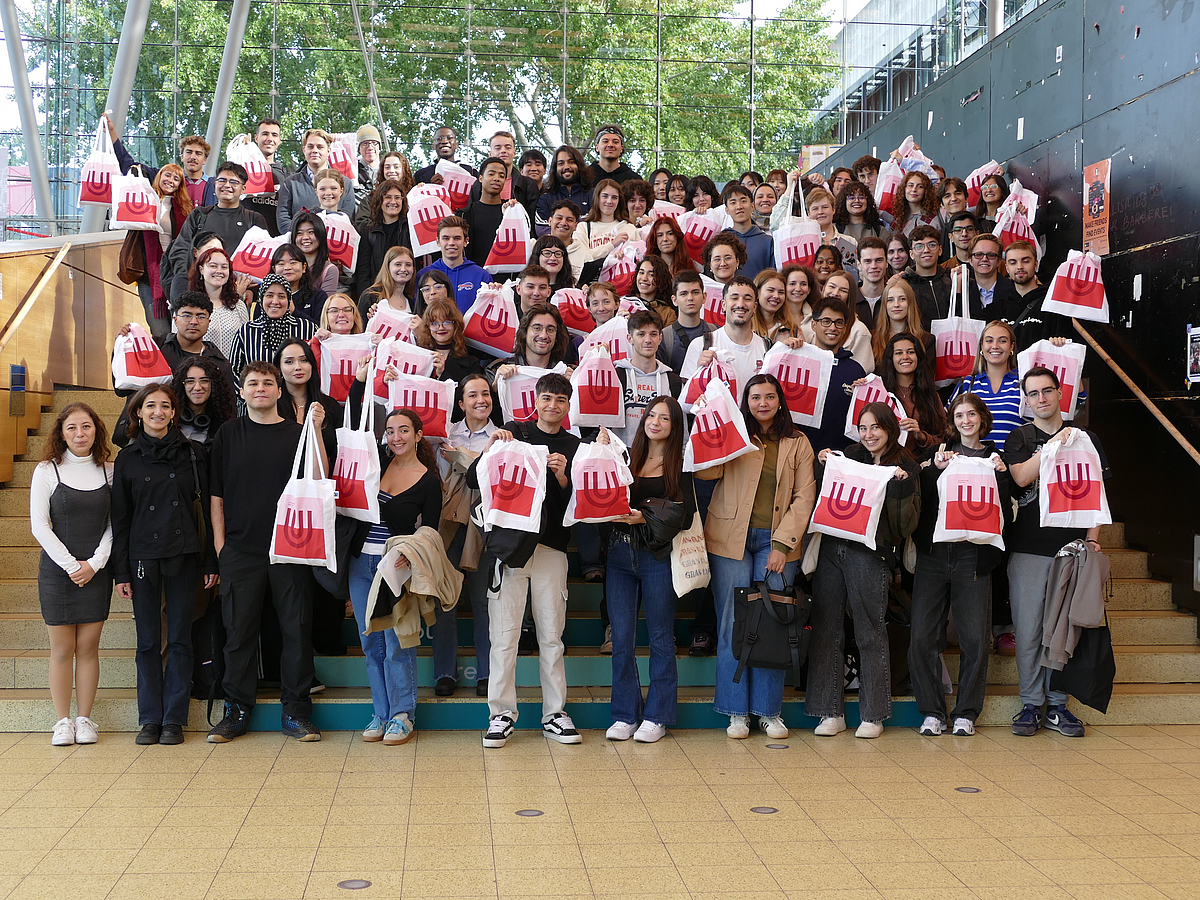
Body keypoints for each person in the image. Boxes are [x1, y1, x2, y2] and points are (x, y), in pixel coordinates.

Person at [208, 361, 324, 743]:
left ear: (279, 391)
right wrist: (222, 547)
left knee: (296, 630)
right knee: (238, 633)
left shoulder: (297, 433)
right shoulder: (228, 434)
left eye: (268, 383)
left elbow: (319, 479)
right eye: (252, 383)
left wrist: (316, 430)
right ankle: (236, 710)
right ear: (242, 392)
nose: (260, 388)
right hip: (240, 550)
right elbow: (217, 495)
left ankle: (296, 713)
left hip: (291, 548)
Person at [696, 374, 816, 739]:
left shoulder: (798, 442)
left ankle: (768, 711)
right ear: (744, 402)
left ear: (780, 400)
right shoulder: (733, 432)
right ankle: (735, 712)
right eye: (754, 398)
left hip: (777, 541)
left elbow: (805, 496)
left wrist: (782, 545)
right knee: (732, 622)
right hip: (730, 536)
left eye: (769, 397)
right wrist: (708, 429)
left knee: (774, 622)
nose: (762, 403)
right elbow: (705, 471)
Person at [466, 373, 582, 748]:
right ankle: (500, 713)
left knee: (552, 637)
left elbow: (577, 510)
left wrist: (564, 479)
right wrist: (491, 448)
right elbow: (473, 480)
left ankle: (555, 713)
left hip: (552, 550)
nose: (552, 406)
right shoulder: (514, 431)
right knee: (504, 637)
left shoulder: (574, 445)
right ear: (535, 400)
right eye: (546, 398)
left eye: (560, 400)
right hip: (510, 551)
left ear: (568, 405)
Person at [1005, 367, 1111, 738]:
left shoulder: (1087, 438)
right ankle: (1031, 704)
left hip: (1073, 551)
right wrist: (1051, 446)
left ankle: (1057, 705)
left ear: (1060, 393)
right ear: (1026, 400)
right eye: (1033, 393)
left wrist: (1093, 540)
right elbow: (1020, 477)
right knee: (1031, 630)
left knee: (1063, 633)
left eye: (1047, 391)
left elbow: (1098, 493)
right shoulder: (1020, 437)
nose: (1041, 399)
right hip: (1028, 548)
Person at [807, 402, 920, 739]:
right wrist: (822, 464)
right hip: (831, 549)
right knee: (827, 629)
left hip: (872, 555)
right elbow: (822, 496)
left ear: (890, 429)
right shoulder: (849, 456)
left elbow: (904, 527)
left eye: (876, 427)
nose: (869, 435)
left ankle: (873, 714)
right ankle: (830, 712)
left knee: (871, 632)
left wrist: (899, 487)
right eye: (863, 427)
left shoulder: (906, 467)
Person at [112, 384, 217, 745]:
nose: (158, 412)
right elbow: (120, 518)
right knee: (147, 641)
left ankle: (174, 718)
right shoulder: (127, 458)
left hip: (184, 553)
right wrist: (121, 571)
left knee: (180, 638)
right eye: (150, 406)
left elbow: (203, 510)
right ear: (138, 412)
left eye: (165, 406)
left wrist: (209, 561)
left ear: (174, 413)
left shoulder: (192, 453)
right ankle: (149, 718)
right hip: (142, 556)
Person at [909, 392, 1010, 736]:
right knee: (922, 636)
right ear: (952, 421)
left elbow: (1007, 508)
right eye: (959, 415)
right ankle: (932, 712)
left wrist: (1002, 475)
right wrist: (932, 469)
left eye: (971, 414)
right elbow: (918, 493)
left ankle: (966, 711)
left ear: (982, 418)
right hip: (935, 554)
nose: (965, 420)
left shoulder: (997, 457)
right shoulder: (937, 455)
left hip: (974, 556)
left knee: (974, 639)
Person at [342, 408, 443, 744]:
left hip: (394, 568)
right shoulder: (376, 465)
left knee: (397, 643)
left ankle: (403, 715)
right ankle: (381, 714)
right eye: (390, 431)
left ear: (417, 435)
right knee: (370, 642)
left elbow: (430, 531)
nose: (396, 437)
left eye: (403, 430)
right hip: (360, 565)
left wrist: (410, 557)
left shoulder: (429, 479)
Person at [602, 397, 694, 743]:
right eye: (651, 415)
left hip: (657, 555)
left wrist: (645, 516)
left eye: (664, 418)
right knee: (622, 638)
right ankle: (625, 713)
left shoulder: (682, 462)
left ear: (675, 426)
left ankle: (657, 714)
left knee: (660, 637)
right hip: (619, 552)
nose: (655, 422)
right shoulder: (626, 455)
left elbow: (684, 514)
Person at [31, 403, 114, 746]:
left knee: (89, 646)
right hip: (57, 571)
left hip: (97, 571)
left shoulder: (111, 470)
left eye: (86, 427)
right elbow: (39, 525)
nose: (80, 434)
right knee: (62, 648)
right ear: (61, 433)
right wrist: (72, 566)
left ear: (96, 430)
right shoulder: (47, 470)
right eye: (72, 428)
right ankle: (62, 721)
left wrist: (94, 564)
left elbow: (116, 524)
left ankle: (85, 719)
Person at [433, 374, 498, 698]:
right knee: (446, 600)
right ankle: (445, 672)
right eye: (473, 395)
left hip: (486, 527)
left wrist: (465, 459)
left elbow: (495, 480)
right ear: (461, 403)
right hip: (451, 526)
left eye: (485, 394)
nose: (480, 400)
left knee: (483, 604)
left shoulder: (501, 437)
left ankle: (486, 674)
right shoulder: (446, 433)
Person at [165, 161, 268, 301]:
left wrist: (252, 291)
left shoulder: (254, 219)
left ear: (243, 189)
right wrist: (188, 281)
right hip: (199, 290)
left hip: (237, 292)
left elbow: (261, 260)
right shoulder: (199, 215)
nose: (227, 185)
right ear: (215, 184)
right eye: (222, 180)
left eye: (233, 182)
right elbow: (181, 249)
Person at [681, 276, 768, 404]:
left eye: (747, 299)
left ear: (755, 307)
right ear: (723, 305)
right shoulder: (701, 345)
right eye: (734, 298)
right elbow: (686, 405)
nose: (740, 304)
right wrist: (700, 371)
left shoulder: (767, 348)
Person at [134, 162, 194, 340]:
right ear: (159, 176)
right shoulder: (144, 201)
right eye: (167, 175)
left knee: (180, 329)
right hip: (149, 276)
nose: (170, 180)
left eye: (176, 178)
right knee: (160, 331)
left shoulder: (185, 209)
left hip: (176, 273)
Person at [800, 297, 866, 453]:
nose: (833, 327)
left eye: (839, 322)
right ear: (814, 325)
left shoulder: (855, 370)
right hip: (803, 457)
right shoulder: (800, 362)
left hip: (842, 458)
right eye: (826, 321)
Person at [105, 114, 211, 205]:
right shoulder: (164, 179)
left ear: (204, 159)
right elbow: (128, 164)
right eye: (188, 152)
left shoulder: (213, 186)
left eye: (198, 153)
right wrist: (112, 132)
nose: (193, 157)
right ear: (182, 157)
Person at [613, 310, 683, 446]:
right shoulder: (617, 376)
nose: (648, 340)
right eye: (641, 334)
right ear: (630, 339)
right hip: (622, 458)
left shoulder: (673, 381)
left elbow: (681, 429)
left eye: (653, 334)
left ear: (660, 338)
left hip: (659, 459)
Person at [950, 320, 1023, 450]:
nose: (995, 346)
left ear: (1012, 346)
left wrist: (1057, 346)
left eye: (1002, 341)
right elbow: (948, 423)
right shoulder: (967, 384)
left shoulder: (1024, 382)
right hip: (975, 464)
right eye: (989, 340)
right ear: (982, 346)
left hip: (1015, 465)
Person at [227, 274, 317, 378]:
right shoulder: (246, 331)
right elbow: (234, 372)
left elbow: (317, 367)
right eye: (269, 295)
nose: (275, 302)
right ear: (261, 298)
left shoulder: (307, 328)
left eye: (281, 296)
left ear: (289, 300)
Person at [876, 332, 946, 459]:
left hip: (919, 468)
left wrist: (920, 435)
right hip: (883, 466)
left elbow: (942, 439)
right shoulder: (879, 391)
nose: (905, 357)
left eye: (910, 352)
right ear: (891, 358)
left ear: (918, 356)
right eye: (898, 353)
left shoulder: (930, 395)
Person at [277, 128, 356, 234]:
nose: (315, 150)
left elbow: (348, 216)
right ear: (304, 150)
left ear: (328, 151)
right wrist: (301, 237)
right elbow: (283, 218)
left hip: (334, 243)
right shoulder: (290, 183)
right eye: (310, 146)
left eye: (320, 147)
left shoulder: (345, 183)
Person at [414, 216, 491, 314]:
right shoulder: (424, 275)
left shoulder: (481, 275)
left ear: (466, 241)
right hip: (436, 329)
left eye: (457, 238)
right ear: (438, 241)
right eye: (446, 238)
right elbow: (419, 311)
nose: (451, 243)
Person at [1003, 240, 1071, 349]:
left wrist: (1060, 343)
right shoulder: (997, 309)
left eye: (1025, 261)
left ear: (1035, 264)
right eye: (1013, 262)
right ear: (1007, 268)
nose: (1019, 266)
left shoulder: (1053, 305)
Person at [187, 247, 249, 360]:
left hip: (234, 373)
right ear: (201, 269)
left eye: (224, 267)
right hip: (202, 373)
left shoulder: (238, 305)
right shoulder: (188, 305)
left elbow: (247, 343)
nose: (219, 271)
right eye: (213, 266)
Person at [465, 132, 541, 222]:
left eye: (508, 147)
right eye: (498, 148)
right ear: (490, 153)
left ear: (514, 152)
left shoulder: (528, 184)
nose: (503, 151)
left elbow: (531, 219)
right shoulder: (478, 184)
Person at [571, 178, 637, 283]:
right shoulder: (583, 227)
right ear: (597, 198)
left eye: (614, 197)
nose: (609, 201)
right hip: (589, 288)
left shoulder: (629, 228)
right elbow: (583, 258)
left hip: (620, 287)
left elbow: (638, 260)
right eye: (605, 196)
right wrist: (612, 245)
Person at [355, 178, 411, 299]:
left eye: (397, 197)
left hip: (406, 293)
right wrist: (366, 299)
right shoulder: (368, 232)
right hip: (378, 295)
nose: (393, 201)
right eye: (388, 197)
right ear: (380, 201)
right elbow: (363, 272)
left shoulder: (410, 229)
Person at [487, 303, 571, 378]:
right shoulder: (497, 370)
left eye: (550, 330)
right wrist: (495, 388)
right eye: (537, 328)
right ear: (525, 332)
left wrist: (574, 385)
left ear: (557, 336)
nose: (544, 335)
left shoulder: (567, 372)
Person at [815, 269, 874, 374]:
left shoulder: (859, 331)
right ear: (823, 289)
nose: (835, 293)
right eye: (832, 287)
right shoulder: (805, 323)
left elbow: (862, 373)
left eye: (843, 290)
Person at [415, 297, 482, 383]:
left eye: (446, 322)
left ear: (456, 324)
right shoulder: (418, 355)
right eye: (434, 323)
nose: (441, 328)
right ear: (428, 326)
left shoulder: (471, 362)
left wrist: (443, 374)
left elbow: (469, 394)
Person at [172, 356, 237, 446]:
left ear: (213, 384)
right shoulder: (170, 421)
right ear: (182, 385)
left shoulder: (224, 424)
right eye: (190, 381)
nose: (197, 387)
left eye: (204, 381)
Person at [871, 275, 935, 366]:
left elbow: (927, 377)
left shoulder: (926, 340)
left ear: (910, 303)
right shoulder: (873, 339)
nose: (896, 304)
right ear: (885, 305)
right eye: (890, 300)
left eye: (902, 299)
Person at [459, 157, 511, 267]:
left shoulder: (511, 211)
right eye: (491, 174)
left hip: (506, 278)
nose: (496, 178)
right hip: (475, 276)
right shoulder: (465, 214)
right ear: (481, 178)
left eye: (501, 176)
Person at [658, 270, 714, 372]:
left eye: (695, 292)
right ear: (674, 300)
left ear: (704, 297)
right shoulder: (664, 338)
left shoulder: (715, 332)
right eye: (684, 294)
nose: (690, 298)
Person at [535, 145, 594, 234]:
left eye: (571, 162)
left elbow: (597, 227)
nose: (566, 167)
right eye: (561, 163)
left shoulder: (593, 195)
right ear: (555, 169)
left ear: (579, 165)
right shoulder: (546, 198)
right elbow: (541, 229)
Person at [721, 184, 773, 278]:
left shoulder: (768, 242)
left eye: (743, 201)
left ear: (752, 206)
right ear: (727, 210)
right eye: (733, 203)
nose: (739, 206)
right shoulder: (721, 240)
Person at [269, 243, 327, 325]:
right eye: (281, 264)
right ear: (274, 270)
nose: (287, 268)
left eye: (293, 263)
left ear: (304, 267)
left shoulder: (318, 296)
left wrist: (294, 312)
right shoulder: (266, 297)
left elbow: (322, 328)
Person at [358, 245, 418, 320]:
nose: (403, 269)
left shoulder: (411, 301)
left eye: (408, 265)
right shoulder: (370, 296)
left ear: (413, 269)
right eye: (398, 264)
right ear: (387, 267)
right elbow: (359, 328)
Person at [291, 210, 339, 302]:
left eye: (311, 232)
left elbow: (323, 306)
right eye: (299, 233)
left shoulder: (329, 270)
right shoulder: (287, 267)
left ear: (320, 234)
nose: (305, 237)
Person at [968, 233, 1017, 314]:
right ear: (970, 260)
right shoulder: (962, 290)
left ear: (999, 261)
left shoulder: (1013, 290)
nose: (984, 259)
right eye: (979, 254)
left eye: (991, 255)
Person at [754, 268, 800, 341]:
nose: (776, 296)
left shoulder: (792, 330)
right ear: (757, 292)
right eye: (770, 290)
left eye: (781, 292)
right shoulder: (744, 327)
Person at [629, 255, 675, 326]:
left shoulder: (668, 313)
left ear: (660, 279)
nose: (644, 278)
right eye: (641, 272)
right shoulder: (625, 302)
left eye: (651, 274)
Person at [834, 180, 886, 244]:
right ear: (844, 201)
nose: (857, 201)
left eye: (861, 197)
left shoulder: (879, 230)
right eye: (851, 197)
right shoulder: (835, 229)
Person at [892, 170, 940, 237]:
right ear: (904, 189)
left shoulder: (935, 217)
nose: (914, 189)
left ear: (926, 191)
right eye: (910, 185)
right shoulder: (898, 221)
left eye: (920, 186)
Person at [646, 216, 694, 281]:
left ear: (677, 236)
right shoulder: (647, 265)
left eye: (670, 234)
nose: (665, 239)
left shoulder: (689, 265)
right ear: (655, 240)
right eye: (660, 235)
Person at [857, 236, 889, 322]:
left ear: (887, 262)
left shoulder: (895, 298)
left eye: (879, 260)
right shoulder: (849, 299)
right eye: (867, 261)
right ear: (859, 265)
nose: (874, 266)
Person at [353, 124, 383, 208]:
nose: (370, 147)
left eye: (374, 143)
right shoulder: (353, 170)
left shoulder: (387, 169)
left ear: (379, 147)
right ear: (359, 148)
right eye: (365, 144)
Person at [782, 263, 818, 330]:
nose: (798, 289)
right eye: (792, 284)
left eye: (803, 284)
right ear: (783, 287)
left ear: (809, 290)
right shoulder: (774, 316)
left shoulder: (816, 316)